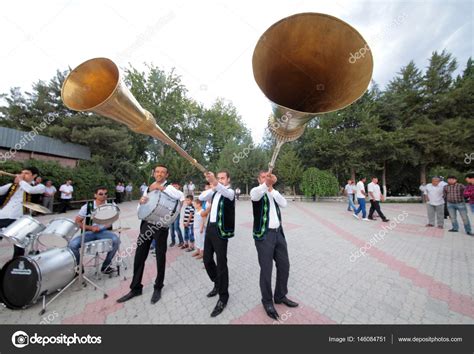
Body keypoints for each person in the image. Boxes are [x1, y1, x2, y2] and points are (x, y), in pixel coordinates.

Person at [117, 165, 183, 305]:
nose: (159, 174)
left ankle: (158, 287)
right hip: (146, 223)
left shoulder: (169, 187)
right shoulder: (148, 188)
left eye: (162, 172)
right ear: (154, 173)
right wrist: (141, 203)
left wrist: (162, 188)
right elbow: (141, 208)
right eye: (157, 172)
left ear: (167, 175)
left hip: (160, 225)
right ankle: (136, 288)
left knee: (160, 257)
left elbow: (181, 197)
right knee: (139, 256)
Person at [250, 171, 298, 320]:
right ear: (259, 180)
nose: (267, 179)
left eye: (268, 177)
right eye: (263, 177)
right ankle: (267, 301)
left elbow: (284, 204)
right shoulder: (255, 191)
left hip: (279, 234)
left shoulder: (273, 192)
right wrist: (267, 185)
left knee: (284, 265)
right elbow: (256, 194)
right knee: (266, 269)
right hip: (264, 236)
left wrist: (272, 189)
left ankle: (280, 296)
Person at [199, 170, 235, 317]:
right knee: (206, 259)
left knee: (221, 263)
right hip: (211, 228)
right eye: (218, 178)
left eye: (222, 178)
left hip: (221, 231)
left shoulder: (230, 192)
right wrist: (212, 186)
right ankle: (217, 282)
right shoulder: (214, 191)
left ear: (228, 179)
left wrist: (215, 182)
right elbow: (201, 196)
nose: (220, 180)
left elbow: (224, 191)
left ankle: (223, 296)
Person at [68, 186, 120, 274]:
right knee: (72, 245)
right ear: (95, 195)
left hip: (103, 232)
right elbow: (77, 222)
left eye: (106, 194)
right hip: (89, 232)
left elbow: (114, 218)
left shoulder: (111, 204)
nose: (104, 196)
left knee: (116, 240)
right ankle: (79, 267)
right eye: (101, 194)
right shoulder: (87, 206)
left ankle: (106, 266)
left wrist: (107, 225)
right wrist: (91, 228)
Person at [0, 167, 45, 258]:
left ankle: (15, 265)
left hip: (20, 219)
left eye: (26, 173)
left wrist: (21, 181)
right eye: (22, 173)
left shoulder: (39, 187)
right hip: (3, 215)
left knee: (19, 245)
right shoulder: (11, 186)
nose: (22, 175)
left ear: (34, 176)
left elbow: (30, 190)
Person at [169, 183, 184, 247]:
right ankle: (173, 241)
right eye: (173, 186)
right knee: (171, 228)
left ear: (179, 186)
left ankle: (181, 241)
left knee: (176, 227)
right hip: (169, 213)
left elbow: (182, 201)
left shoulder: (180, 193)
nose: (175, 187)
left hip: (176, 212)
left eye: (176, 186)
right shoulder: (170, 193)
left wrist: (179, 209)